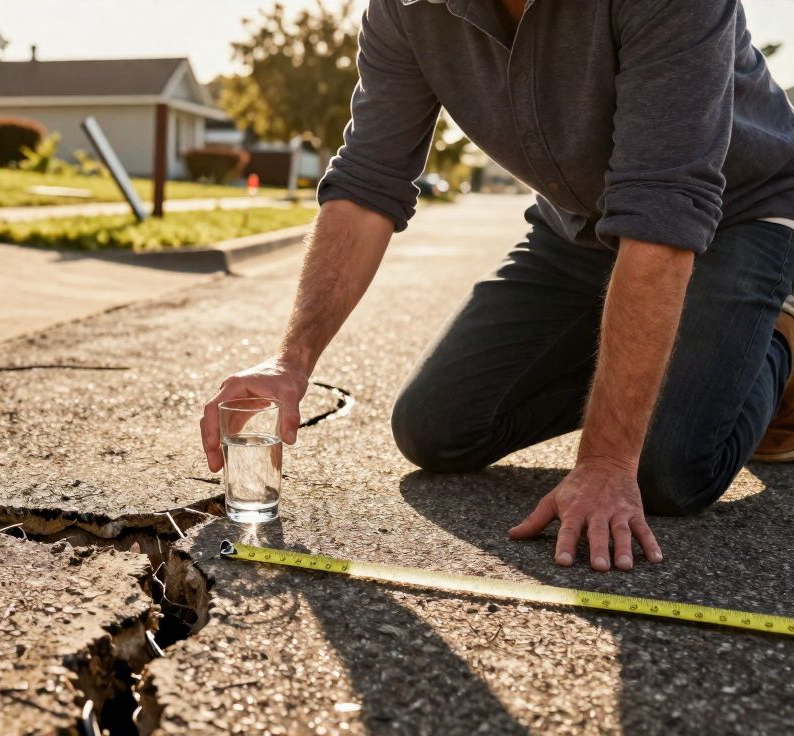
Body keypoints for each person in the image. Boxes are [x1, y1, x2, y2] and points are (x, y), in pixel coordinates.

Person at [201, 0, 794, 572]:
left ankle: (777, 341)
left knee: (667, 471)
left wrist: (607, 460)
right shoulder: (406, 8)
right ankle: (667, 353)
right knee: (437, 430)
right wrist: (292, 360)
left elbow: (664, 208)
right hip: (578, 229)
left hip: (737, 216)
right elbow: (367, 182)